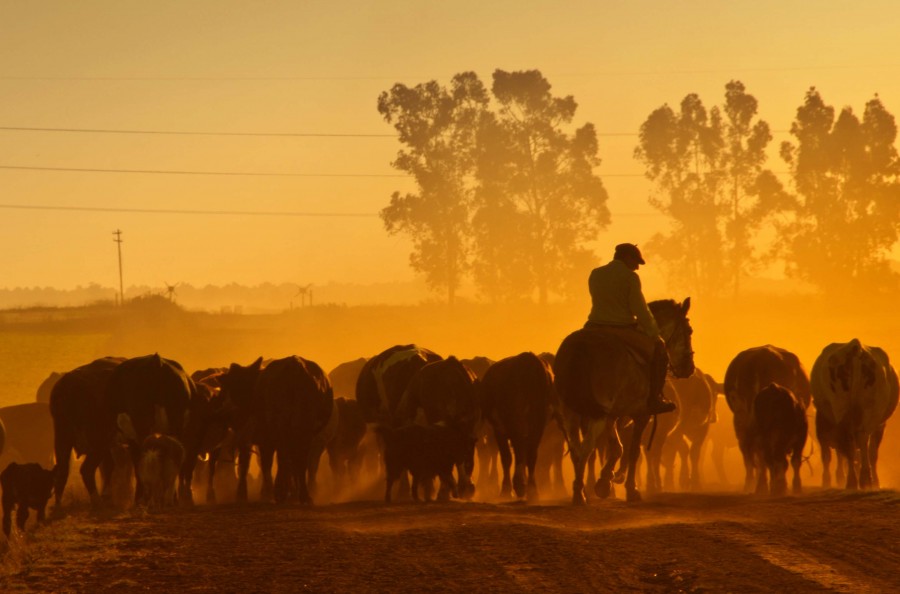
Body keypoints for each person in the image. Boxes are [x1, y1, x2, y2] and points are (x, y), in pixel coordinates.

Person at [584, 243, 676, 415]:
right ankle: (655, 398)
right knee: (660, 352)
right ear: (627, 258)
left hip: (593, 327)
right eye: (636, 262)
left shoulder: (595, 274)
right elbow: (639, 308)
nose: (637, 267)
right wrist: (655, 333)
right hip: (620, 328)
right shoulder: (630, 277)